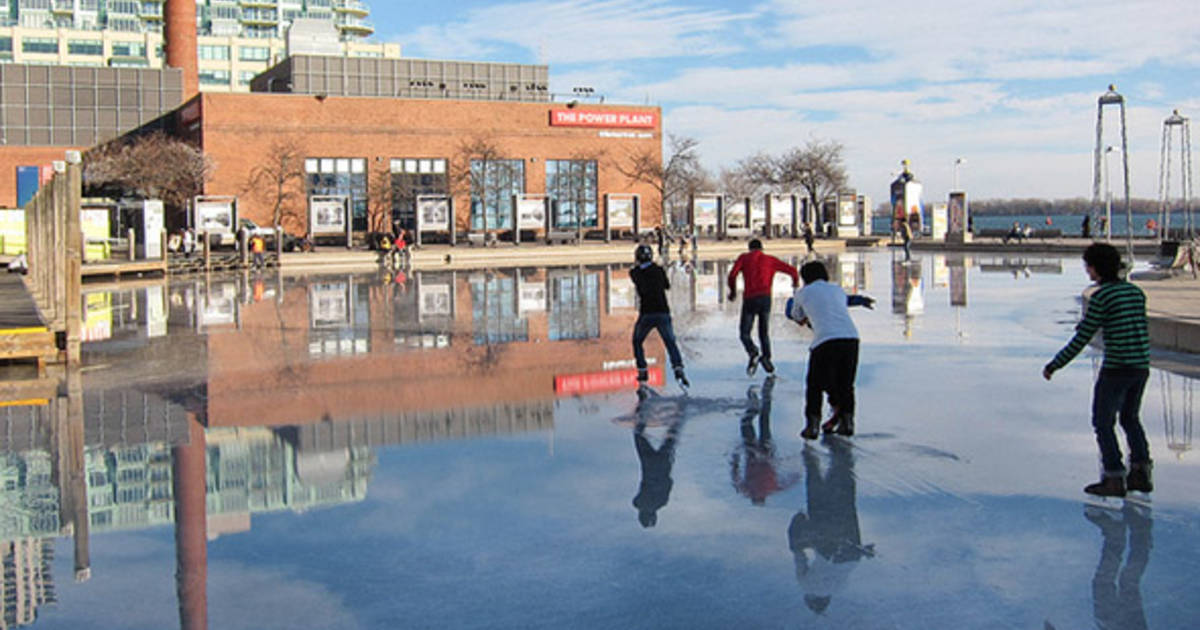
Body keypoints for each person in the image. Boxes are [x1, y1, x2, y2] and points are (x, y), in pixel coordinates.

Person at [1043, 243, 1152, 498]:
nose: (1087, 271)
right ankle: (1141, 472)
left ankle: (1114, 477)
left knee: (1103, 422)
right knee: (1130, 418)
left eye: (1088, 266)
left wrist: (1054, 364)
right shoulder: (1136, 293)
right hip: (1141, 366)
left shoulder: (1102, 297)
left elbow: (1083, 338)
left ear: (1095, 267)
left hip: (1117, 367)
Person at [787, 261, 874, 438]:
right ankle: (847, 422)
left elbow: (796, 315)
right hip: (851, 338)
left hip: (825, 341)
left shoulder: (802, 293)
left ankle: (812, 426)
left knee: (815, 385)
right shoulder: (837, 289)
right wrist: (862, 300)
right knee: (846, 385)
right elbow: (844, 301)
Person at [727, 239, 799, 376]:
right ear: (762, 248)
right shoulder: (770, 260)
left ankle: (753, 351)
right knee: (763, 331)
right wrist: (795, 285)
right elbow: (793, 271)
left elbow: (732, 275)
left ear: (750, 249)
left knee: (744, 333)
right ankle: (766, 358)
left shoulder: (744, 258)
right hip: (765, 298)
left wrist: (733, 291)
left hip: (750, 299)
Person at [630, 244, 689, 387]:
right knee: (670, 342)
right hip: (663, 311)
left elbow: (639, 281)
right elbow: (667, 286)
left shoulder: (635, 272)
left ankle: (643, 369)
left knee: (637, 341)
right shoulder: (658, 270)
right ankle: (678, 367)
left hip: (647, 313)